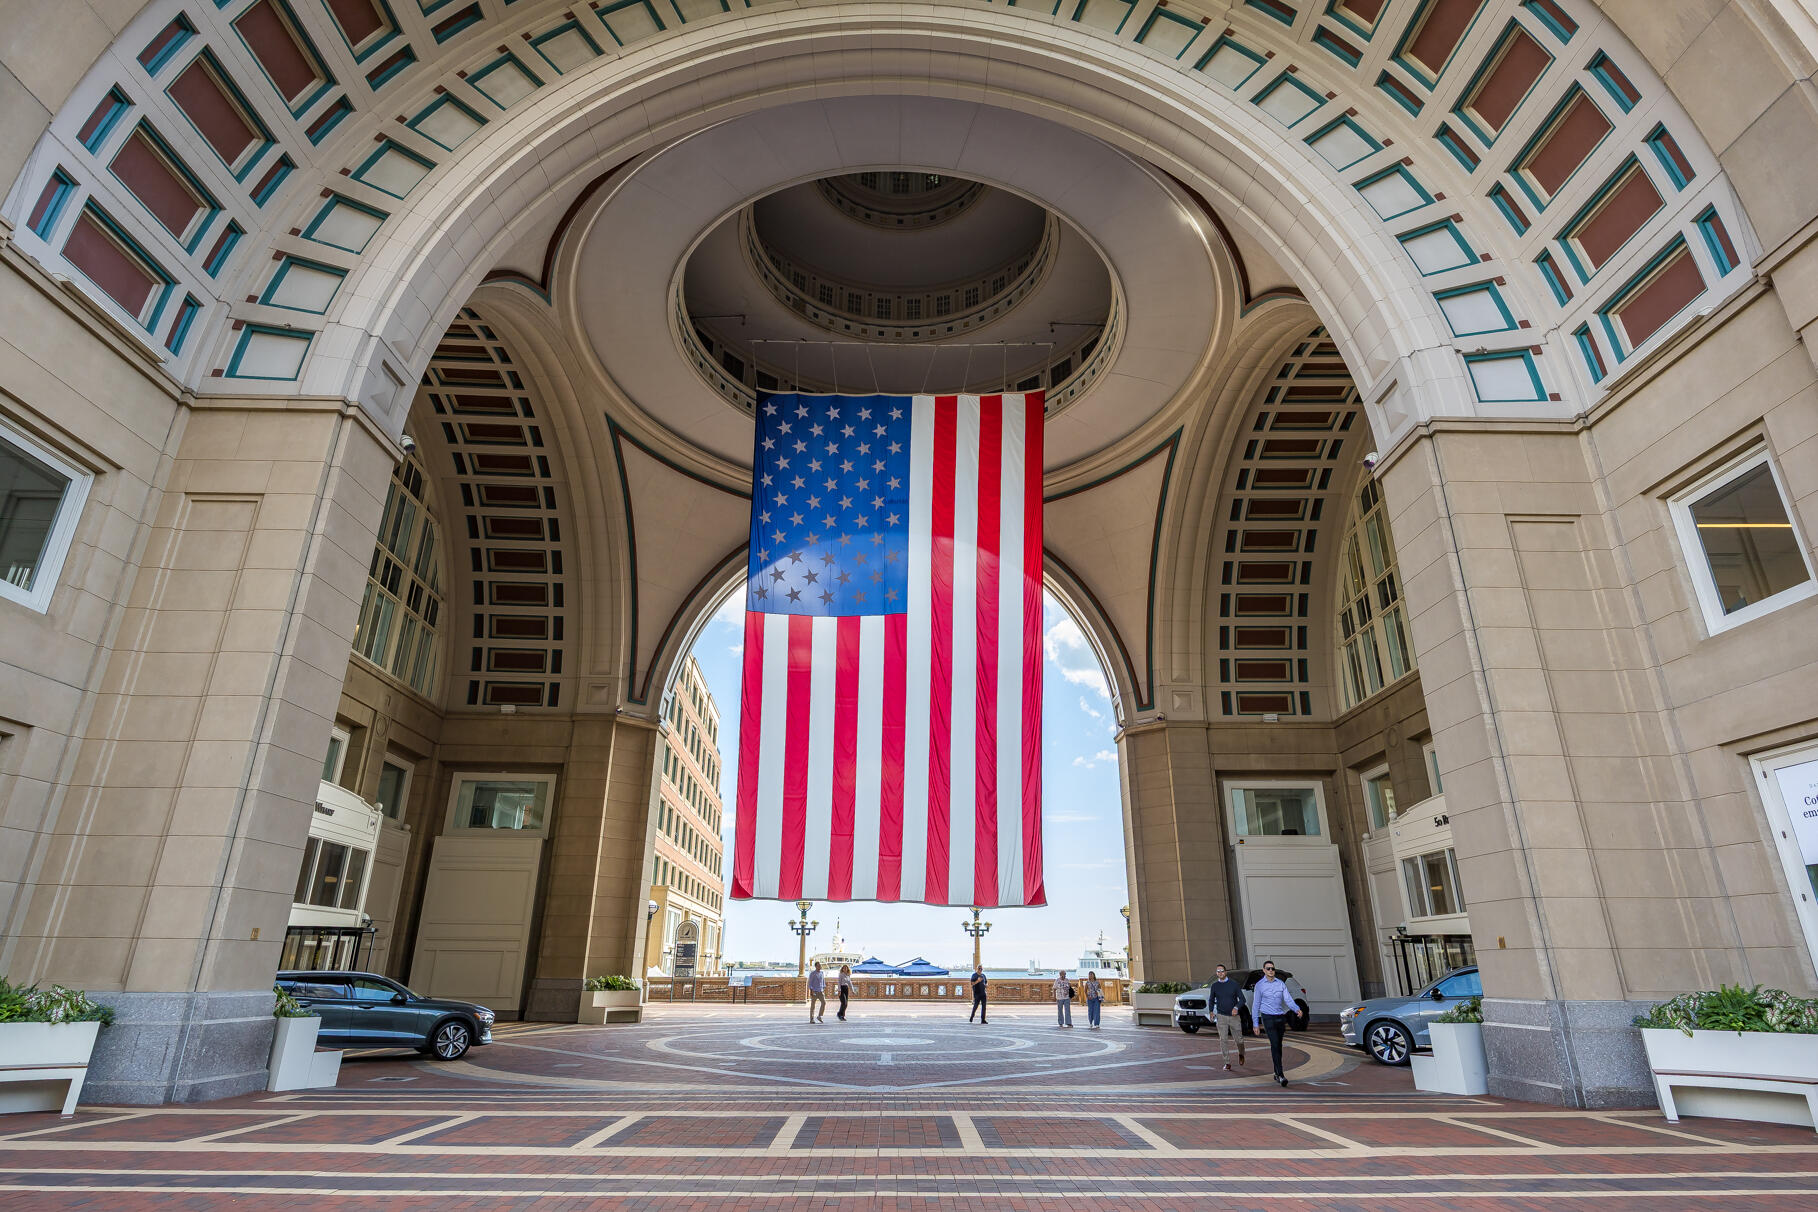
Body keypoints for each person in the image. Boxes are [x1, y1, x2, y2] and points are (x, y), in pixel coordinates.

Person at [1249, 960, 1297, 1086]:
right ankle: (1281, 1075)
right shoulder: (1260, 985)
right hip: (1267, 1018)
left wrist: (1297, 1009)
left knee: (1278, 1046)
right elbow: (1256, 1005)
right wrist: (1255, 1023)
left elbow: (1288, 999)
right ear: (1264, 970)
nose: (1271, 971)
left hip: (1280, 1018)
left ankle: (1276, 1073)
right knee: (1275, 1044)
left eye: (1272, 969)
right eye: (1268, 968)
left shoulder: (1280, 984)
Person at [1207, 963, 1245, 1070]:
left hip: (1234, 1017)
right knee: (1223, 1039)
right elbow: (1211, 999)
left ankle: (1241, 1053)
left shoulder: (1234, 984)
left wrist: (1236, 1007)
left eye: (1222, 971)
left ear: (1225, 972)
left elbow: (1242, 999)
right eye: (1218, 971)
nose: (1220, 973)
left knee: (1239, 1040)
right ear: (1216, 973)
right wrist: (1211, 1011)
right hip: (1221, 1016)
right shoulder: (1215, 986)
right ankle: (1227, 1062)